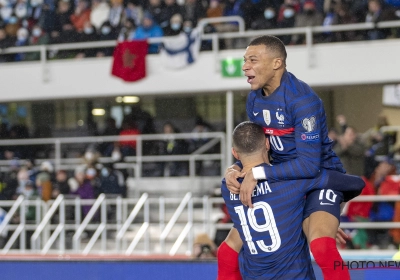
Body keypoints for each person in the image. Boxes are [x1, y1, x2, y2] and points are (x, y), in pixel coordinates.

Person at [220, 35, 365, 280]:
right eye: (245, 60)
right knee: (227, 251)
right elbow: (258, 147)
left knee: (321, 246)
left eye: (253, 60)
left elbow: (309, 165)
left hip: (317, 177)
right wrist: (236, 168)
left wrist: (257, 173)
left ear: (277, 63)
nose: (245, 66)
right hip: (281, 181)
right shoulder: (254, 99)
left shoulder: (303, 101)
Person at [221, 121, 352, 279]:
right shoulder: (289, 181)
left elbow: (273, 208)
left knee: (227, 248)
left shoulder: (227, 186)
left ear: (235, 153)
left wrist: (233, 168)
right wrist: (324, 212)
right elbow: (353, 184)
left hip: (255, 273)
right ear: (268, 144)